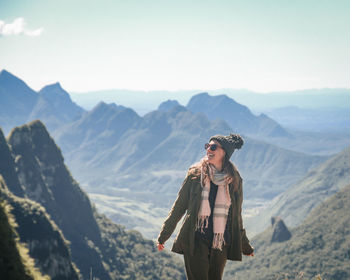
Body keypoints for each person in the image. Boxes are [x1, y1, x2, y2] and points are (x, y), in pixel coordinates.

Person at [157, 133, 254, 280]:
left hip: (220, 243)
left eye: (213, 147)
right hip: (196, 240)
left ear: (224, 152)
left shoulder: (234, 180)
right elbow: (179, 207)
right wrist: (164, 235)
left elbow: (236, 216)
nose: (209, 149)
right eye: (207, 146)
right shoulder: (195, 175)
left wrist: (245, 246)